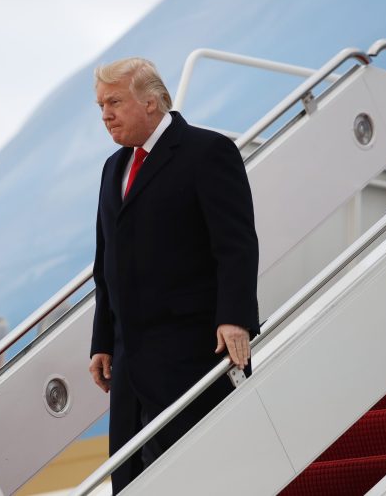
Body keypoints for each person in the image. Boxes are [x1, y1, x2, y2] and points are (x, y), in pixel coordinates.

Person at [89, 57, 259, 494]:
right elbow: (106, 265)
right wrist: (102, 341)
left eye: (114, 102)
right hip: (130, 368)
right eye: (101, 105)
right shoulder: (112, 169)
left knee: (212, 476)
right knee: (135, 482)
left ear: (151, 102)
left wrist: (235, 317)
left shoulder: (207, 152)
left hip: (194, 353)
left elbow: (236, 244)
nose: (105, 114)